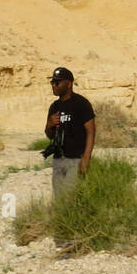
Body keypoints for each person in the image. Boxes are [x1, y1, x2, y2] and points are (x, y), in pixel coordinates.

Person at [44, 67, 95, 198]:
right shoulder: (54, 107)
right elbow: (49, 135)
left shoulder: (81, 104)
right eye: (52, 82)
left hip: (76, 160)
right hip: (58, 160)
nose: (53, 85)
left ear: (69, 84)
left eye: (57, 82)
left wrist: (86, 158)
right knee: (59, 199)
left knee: (71, 198)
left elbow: (91, 131)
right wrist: (50, 124)